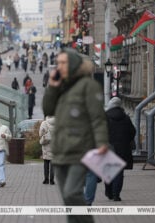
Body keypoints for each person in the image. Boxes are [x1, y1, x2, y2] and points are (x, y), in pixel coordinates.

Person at [42, 48, 109, 223]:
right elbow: (48, 110)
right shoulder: (61, 87)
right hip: (60, 151)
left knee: (73, 193)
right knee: (68, 200)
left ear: (74, 64)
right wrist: (52, 87)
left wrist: (102, 143)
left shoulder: (88, 86)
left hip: (81, 150)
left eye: (64, 63)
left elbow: (98, 118)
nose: (60, 66)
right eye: (58, 63)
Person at [105, 97, 136, 201]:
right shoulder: (126, 118)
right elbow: (132, 132)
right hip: (123, 148)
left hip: (108, 147)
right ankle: (116, 195)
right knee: (119, 172)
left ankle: (109, 192)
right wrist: (126, 141)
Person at [39, 116, 55, 185]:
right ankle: (52, 180)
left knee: (46, 163)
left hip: (46, 145)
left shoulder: (44, 123)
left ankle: (46, 179)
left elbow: (40, 134)